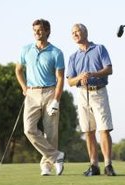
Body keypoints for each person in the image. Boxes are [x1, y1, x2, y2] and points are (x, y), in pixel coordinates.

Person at [15, 19, 65, 176]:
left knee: (51, 132)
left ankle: (46, 166)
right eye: (35, 30)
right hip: (32, 93)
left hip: (50, 92)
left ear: (48, 31)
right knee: (29, 129)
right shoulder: (26, 49)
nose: (36, 33)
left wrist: (56, 100)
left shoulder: (56, 52)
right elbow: (18, 70)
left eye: (40, 30)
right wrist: (24, 88)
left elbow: (61, 78)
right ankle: (57, 156)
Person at [66, 23, 116, 176]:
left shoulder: (99, 49)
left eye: (78, 31)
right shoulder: (73, 57)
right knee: (88, 131)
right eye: (73, 32)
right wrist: (79, 77)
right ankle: (94, 165)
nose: (75, 34)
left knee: (104, 129)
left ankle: (108, 165)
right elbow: (69, 81)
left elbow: (109, 69)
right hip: (82, 94)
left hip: (99, 92)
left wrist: (93, 74)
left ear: (85, 33)